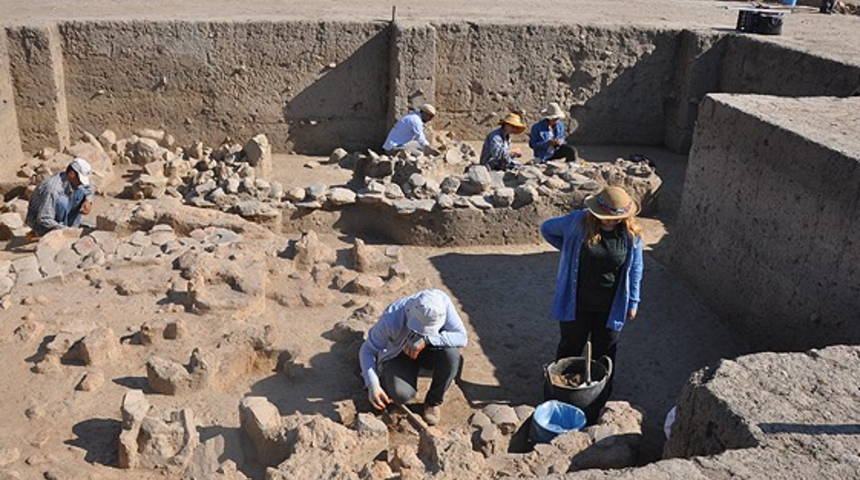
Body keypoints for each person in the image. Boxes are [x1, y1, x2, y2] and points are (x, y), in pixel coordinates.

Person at [540, 186, 643, 415]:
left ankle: (597, 399)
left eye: (616, 219)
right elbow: (546, 229)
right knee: (570, 347)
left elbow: (636, 267)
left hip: (611, 305)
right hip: (576, 302)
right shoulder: (577, 222)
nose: (611, 223)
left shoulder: (630, 234)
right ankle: (560, 394)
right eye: (607, 219)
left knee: (605, 351)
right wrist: (567, 248)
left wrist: (633, 302)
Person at [359, 288, 468, 426]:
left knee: (452, 355)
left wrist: (427, 340)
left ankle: (432, 402)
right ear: (409, 312)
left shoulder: (442, 302)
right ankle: (400, 377)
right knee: (402, 395)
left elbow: (462, 337)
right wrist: (372, 384)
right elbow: (367, 350)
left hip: (430, 351)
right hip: (401, 355)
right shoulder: (391, 318)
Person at [26, 158, 95, 237]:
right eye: (80, 179)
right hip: (40, 224)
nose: (81, 182)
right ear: (71, 174)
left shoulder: (72, 180)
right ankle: (65, 232)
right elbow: (43, 218)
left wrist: (88, 201)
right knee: (62, 201)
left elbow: (89, 187)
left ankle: (73, 227)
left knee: (81, 191)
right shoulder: (53, 189)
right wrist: (66, 230)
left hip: (60, 216)